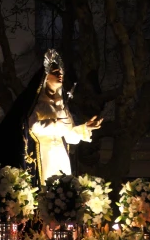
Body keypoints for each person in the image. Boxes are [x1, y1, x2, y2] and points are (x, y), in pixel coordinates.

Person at [28, 49, 102, 184]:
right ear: (45, 77)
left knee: (64, 187)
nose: (60, 75)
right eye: (55, 72)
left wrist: (85, 128)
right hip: (44, 153)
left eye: (61, 72)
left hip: (61, 154)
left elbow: (69, 136)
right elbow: (32, 126)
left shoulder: (62, 106)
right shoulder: (37, 103)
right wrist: (56, 124)